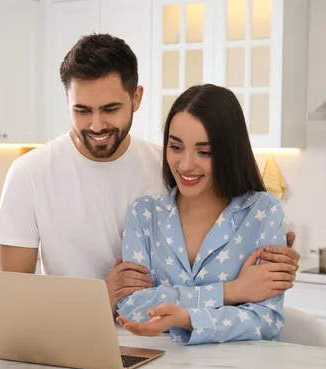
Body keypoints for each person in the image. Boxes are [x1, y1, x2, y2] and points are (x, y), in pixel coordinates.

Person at [0, 33, 300, 312]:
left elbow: (221, 245)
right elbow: (11, 302)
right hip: (74, 340)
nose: (96, 125)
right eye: (82, 110)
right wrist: (101, 297)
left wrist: (269, 254)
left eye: (110, 109)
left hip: (165, 341)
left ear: (137, 98)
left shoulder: (168, 166)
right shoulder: (30, 174)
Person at [116, 84, 287, 345]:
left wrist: (185, 318)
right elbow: (132, 307)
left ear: (229, 151)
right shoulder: (145, 214)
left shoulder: (263, 212)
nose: (185, 165)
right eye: (176, 147)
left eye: (204, 152)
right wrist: (231, 292)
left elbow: (265, 320)